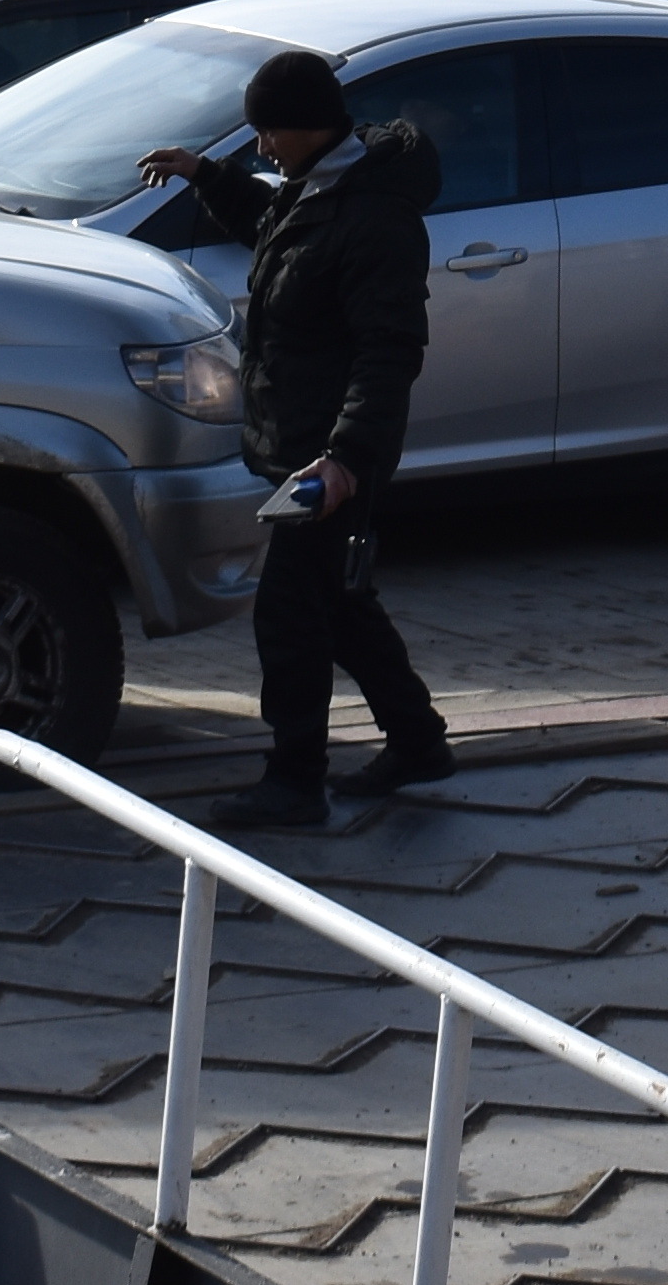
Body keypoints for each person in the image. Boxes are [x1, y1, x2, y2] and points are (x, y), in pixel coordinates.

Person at [134, 47, 452, 827]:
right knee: (341, 604)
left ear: (309, 128)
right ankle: (418, 742)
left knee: (290, 612)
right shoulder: (321, 186)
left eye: (268, 134)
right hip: (298, 442)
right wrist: (201, 176)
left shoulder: (375, 216)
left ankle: (294, 780)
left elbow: (389, 352)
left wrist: (345, 457)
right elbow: (274, 227)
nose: (262, 148)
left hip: (329, 454)